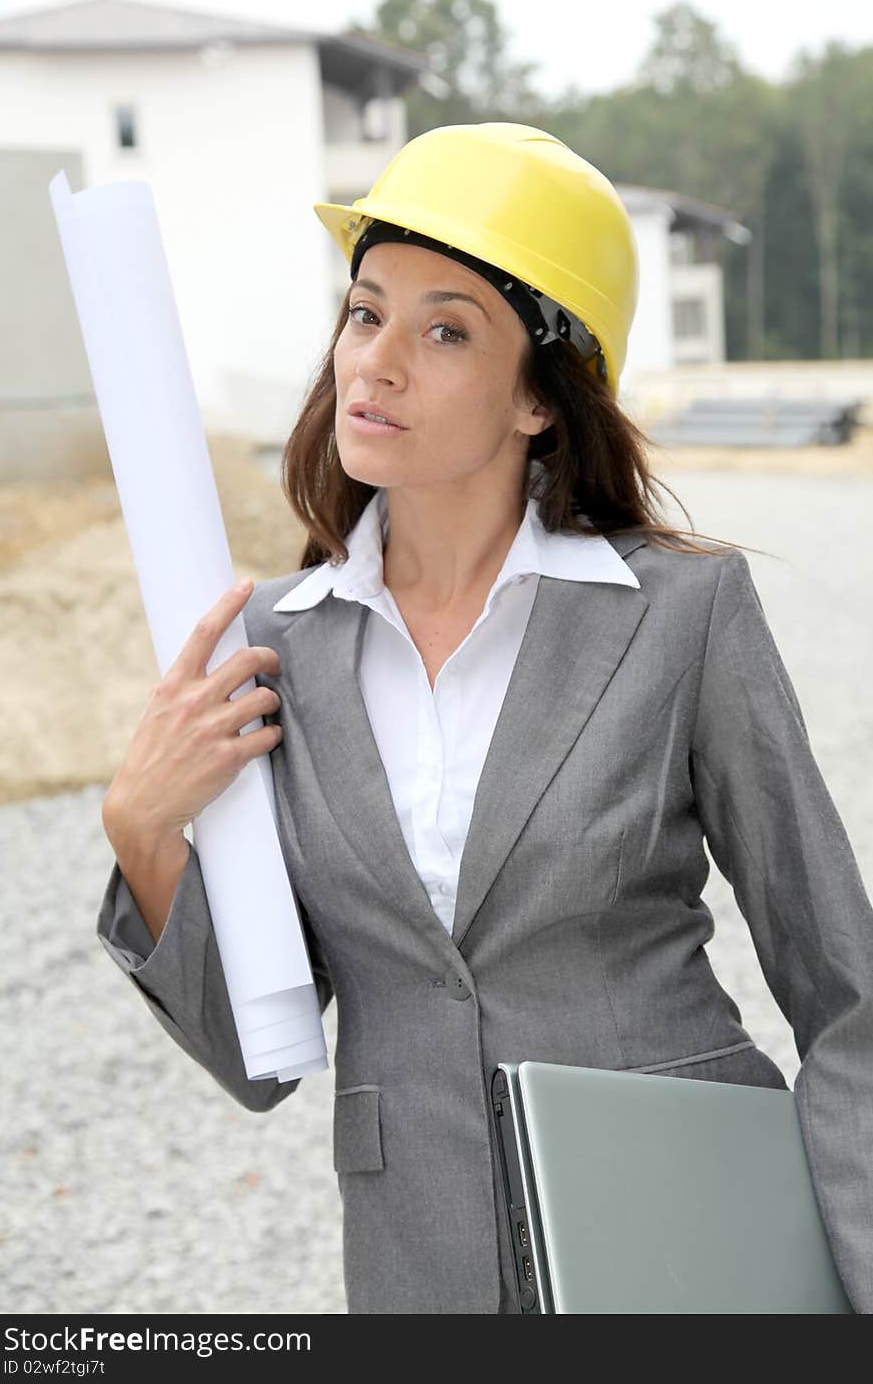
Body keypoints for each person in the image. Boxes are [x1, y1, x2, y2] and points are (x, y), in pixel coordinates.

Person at [96, 122, 873, 1314]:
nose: (376, 362)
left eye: (444, 328)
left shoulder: (682, 614)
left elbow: (846, 991)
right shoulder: (271, 638)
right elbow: (267, 1055)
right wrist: (145, 833)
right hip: (418, 1261)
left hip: (683, 1235)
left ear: (539, 400)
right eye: (365, 314)